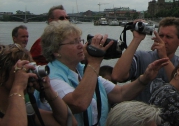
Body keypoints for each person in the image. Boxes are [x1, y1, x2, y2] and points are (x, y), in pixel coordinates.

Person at [41, 21, 169, 126]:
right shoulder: (51, 77)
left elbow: (120, 94)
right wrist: (95, 62)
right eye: (74, 42)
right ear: (56, 51)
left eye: (80, 40)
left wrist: (145, 78)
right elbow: (78, 103)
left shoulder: (82, 70)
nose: (81, 46)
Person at [0, 44, 77, 126]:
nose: (24, 74)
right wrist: (18, 87)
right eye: (19, 69)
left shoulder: (26, 110)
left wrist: (48, 89)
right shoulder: (18, 111)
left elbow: (69, 123)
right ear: (1, 74)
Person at [112, 17, 179, 103]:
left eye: (168, 37)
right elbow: (117, 76)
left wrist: (164, 57)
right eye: (160, 35)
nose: (163, 40)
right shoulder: (142, 57)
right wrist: (136, 39)